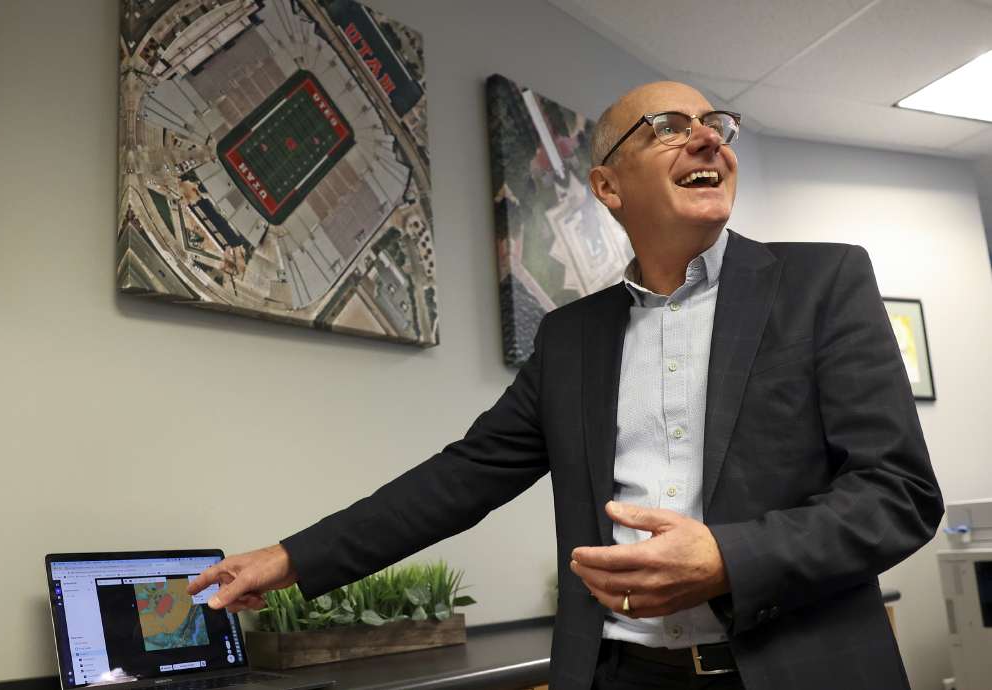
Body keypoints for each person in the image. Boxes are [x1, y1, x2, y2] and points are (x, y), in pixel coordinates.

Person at [188, 82, 943, 690]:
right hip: (621, 673)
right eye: (667, 126)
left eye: (716, 124)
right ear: (607, 186)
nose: (709, 137)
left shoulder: (825, 281)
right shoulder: (570, 337)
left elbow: (896, 494)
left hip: (798, 670)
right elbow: (463, 475)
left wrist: (726, 558)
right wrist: (290, 558)